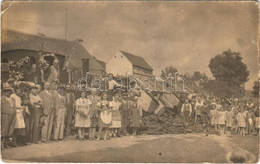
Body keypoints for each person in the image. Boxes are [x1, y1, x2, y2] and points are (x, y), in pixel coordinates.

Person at [1, 83, 14, 149]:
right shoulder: (2, 98)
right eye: (6, 91)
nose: (8, 92)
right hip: (4, 115)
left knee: (9, 130)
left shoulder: (11, 99)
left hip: (11, 115)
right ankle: (2, 144)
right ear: (4, 92)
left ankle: (6, 143)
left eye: (9, 91)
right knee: (4, 129)